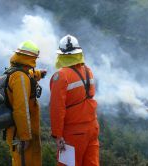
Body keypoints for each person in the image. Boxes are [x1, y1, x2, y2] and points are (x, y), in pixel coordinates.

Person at [49, 34, 99, 165]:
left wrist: (57, 135)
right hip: (92, 128)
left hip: (73, 132)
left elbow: (57, 108)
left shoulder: (60, 76)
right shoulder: (88, 71)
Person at [6, 41, 46, 166]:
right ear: (31, 59)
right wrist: (24, 137)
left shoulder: (16, 71)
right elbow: (20, 110)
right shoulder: (20, 78)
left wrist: (39, 74)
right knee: (25, 162)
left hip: (16, 131)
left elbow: (29, 76)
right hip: (21, 134)